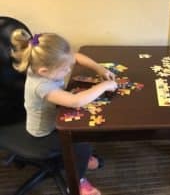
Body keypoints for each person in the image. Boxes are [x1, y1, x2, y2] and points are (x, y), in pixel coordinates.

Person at [11, 29, 118, 195]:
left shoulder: (44, 65)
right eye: (64, 69)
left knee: (81, 129)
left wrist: (99, 69)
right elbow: (77, 101)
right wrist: (104, 85)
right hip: (42, 134)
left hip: (54, 118)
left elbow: (76, 56)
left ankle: (79, 159)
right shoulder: (41, 85)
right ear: (44, 72)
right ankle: (77, 182)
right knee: (81, 140)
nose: (69, 70)